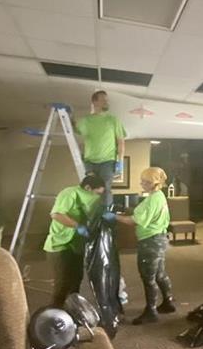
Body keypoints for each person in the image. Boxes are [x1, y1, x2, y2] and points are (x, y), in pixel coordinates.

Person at [109, 167, 175, 325]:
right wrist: (126, 210)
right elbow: (144, 212)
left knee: (148, 277)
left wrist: (114, 217)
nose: (142, 183)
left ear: (155, 183)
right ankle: (168, 302)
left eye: (145, 182)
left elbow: (134, 221)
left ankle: (151, 312)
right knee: (160, 274)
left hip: (150, 242)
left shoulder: (152, 199)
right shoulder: (158, 196)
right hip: (159, 239)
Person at [43, 174, 106, 307]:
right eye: (96, 193)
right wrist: (77, 226)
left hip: (77, 244)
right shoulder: (69, 194)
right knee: (63, 283)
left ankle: (73, 310)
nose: (98, 196)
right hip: (60, 244)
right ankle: (55, 314)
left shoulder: (93, 198)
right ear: (88, 187)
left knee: (76, 279)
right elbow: (56, 214)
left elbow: (94, 213)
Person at [74, 90, 126, 208]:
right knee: (88, 187)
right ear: (94, 102)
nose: (106, 102)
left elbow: (121, 142)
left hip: (107, 161)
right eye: (103, 100)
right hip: (89, 161)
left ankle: (106, 214)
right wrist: (68, 116)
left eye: (107, 100)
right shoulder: (86, 120)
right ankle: (88, 211)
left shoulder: (113, 120)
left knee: (105, 188)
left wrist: (120, 161)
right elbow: (74, 128)